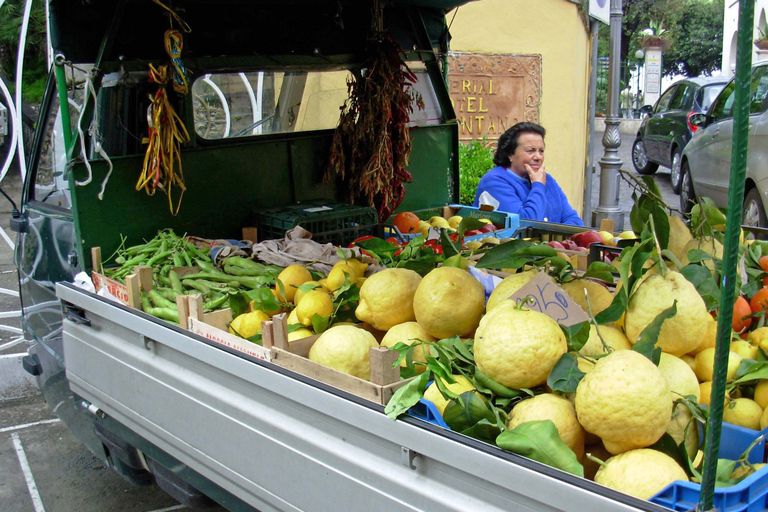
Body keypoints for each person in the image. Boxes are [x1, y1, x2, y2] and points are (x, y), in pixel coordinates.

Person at [473, 122, 584, 226]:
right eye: (530, 150)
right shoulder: (494, 181)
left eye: (541, 151)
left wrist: (555, 241)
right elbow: (526, 223)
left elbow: (574, 221)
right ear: (510, 154)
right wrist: (538, 185)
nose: (538, 157)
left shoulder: (547, 180)